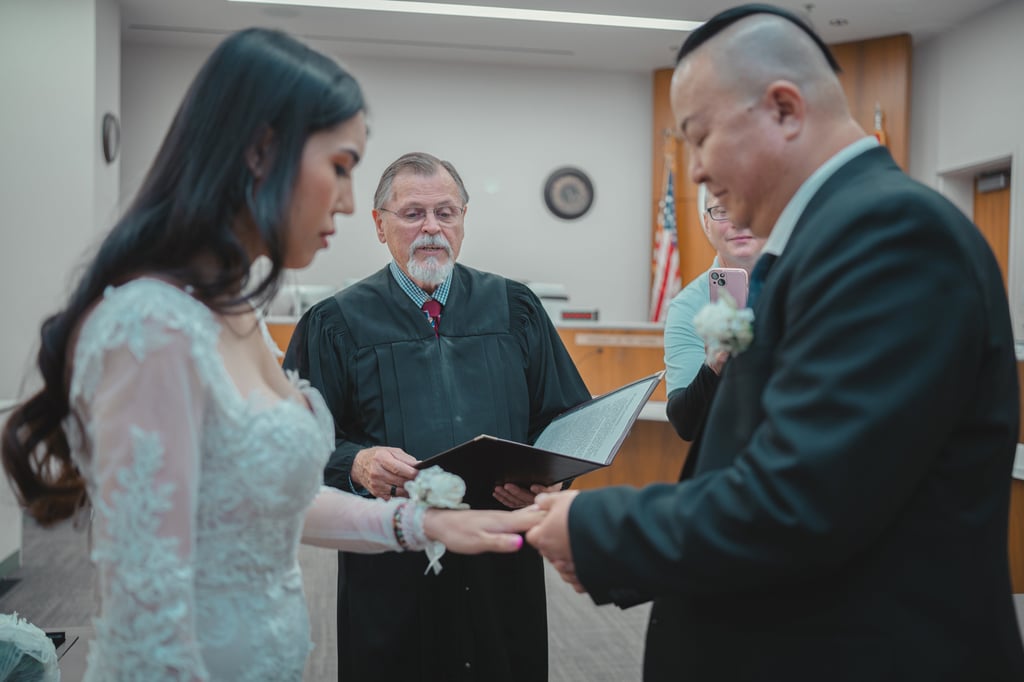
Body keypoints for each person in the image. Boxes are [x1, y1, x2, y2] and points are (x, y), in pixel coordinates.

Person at [0, 28, 542, 682]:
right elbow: (148, 611)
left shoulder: (236, 312)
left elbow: (266, 501)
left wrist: (419, 523)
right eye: (340, 167)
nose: (346, 200)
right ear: (262, 152)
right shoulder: (150, 327)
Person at [527, 4, 1024, 681]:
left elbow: (801, 499)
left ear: (785, 110)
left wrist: (594, 528)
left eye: (699, 138)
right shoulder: (832, 240)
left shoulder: (889, 238)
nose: (695, 171)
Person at [283, 151, 591, 681]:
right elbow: (295, 448)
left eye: (446, 213)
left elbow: (566, 416)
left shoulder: (514, 309)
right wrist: (358, 464)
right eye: (413, 214)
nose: (431, 228)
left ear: (463, 220)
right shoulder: (334, 324)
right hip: (392, 558)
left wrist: (549, 484)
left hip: (500, 546)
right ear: (380, 225)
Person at [663, 182, 764, 443]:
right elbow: (685, 423)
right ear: (706, 225)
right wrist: (714, 365)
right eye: (721, 210)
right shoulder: (687, 306)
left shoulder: (801, 286)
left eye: (747, 206)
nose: (737, 220)